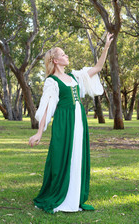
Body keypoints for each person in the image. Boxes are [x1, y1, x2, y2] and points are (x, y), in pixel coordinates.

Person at [29, 33, 114, 214]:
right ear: (55, 60)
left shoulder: (75, 76)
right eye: (63, 54)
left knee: (77, 154)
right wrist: (39, 133)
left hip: (78, 121)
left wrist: (106, 47)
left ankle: (74, 197)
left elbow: (98, 67)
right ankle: (59, 195)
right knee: (61, 155)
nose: (66, 56)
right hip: (64, 121)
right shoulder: (52, 81)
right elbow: (45, 108)